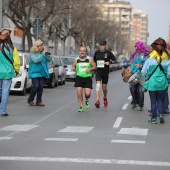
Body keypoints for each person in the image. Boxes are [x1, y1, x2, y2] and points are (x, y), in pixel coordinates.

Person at [141, 38, 170, 124]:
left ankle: (154, 119)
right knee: (160, 100)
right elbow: (169, 74)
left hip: (152, 83)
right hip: (162, 83)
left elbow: (143, 71)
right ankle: (160, 114)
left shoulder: (150, 59)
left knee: (153, 100)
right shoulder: (167, 59)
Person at [0, 29, 20, 117]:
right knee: (5, 92)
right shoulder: (12, 49)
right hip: (8, 73)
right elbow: (16, 61)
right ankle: (3, 111)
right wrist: (17, 70)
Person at [72, 46, 97, 112]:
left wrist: (90, 69)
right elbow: (73, 66)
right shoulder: (76, 59)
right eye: (81, 51)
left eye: (84, 51)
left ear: (86, 52)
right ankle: (81, 106)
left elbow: (95, 67)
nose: (82, 52)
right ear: (79, 52)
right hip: (79, 78)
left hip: (87, 79)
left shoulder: (89, 59)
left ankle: (86, 100)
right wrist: (73, 68)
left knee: (87, 94)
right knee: (79, 93)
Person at [93, 40, 117, 108]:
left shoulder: (108, 53)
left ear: (105, 46)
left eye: (102, 45)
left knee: (104, 88)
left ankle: (105, 97)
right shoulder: (97, 52)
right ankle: (97, 101)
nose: (101, 47)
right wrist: (94, 65)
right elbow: (94, 60)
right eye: (100, 45)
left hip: (105, 72)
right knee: (98, 85)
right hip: (98, 71)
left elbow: (115, 60)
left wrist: (109, 63)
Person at [27, 40, 51, 106]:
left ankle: (39, 101)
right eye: (40, 45)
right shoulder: (32, 54)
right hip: (34, 73)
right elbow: (36, 60)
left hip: (42, 73)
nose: (42, 47)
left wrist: (46, 54)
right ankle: (30, 100)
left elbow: (49, 60)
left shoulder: (42, 54)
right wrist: (43, 55)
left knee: (40, 87)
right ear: (36, 47)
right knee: (35, 86)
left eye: (42, 45)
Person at [129, 41, 149, 111]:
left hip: (142, 75)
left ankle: (141, 104)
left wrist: (141, 66)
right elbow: (132, 64)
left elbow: (147, 66)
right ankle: (135, 102)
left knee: (140, 90)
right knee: (133, 89)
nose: (136, 48)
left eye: (137, 47)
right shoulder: (135, 55)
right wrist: (130, 70)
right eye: (135, 47)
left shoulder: (146, 56)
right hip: (135, 75)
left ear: (140, 47)